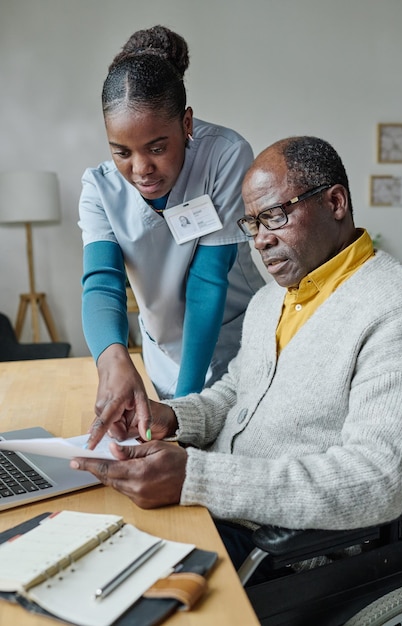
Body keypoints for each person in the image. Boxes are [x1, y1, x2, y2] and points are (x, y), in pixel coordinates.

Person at [74, 136, 402, 573]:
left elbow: (379, 480)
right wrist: (172, 418)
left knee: (110, 574)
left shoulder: (395, 306)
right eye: (252, 223)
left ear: (335, 202)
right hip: (215, 508)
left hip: (283, 548)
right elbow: (236, 392)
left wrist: (195, 477)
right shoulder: (270, 301)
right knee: (87, 540)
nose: (260, 241)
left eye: (274, 216)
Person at [78, 26, 265, 429]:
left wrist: (184, 408)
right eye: (122, 152)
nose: (141, 169)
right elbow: (102, 282)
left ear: (186, 123)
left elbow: (208, 279)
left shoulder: (225, 156)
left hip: (237, 344)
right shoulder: (99, 189)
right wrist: (113, 357)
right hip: (165, 354)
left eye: (157, 148)